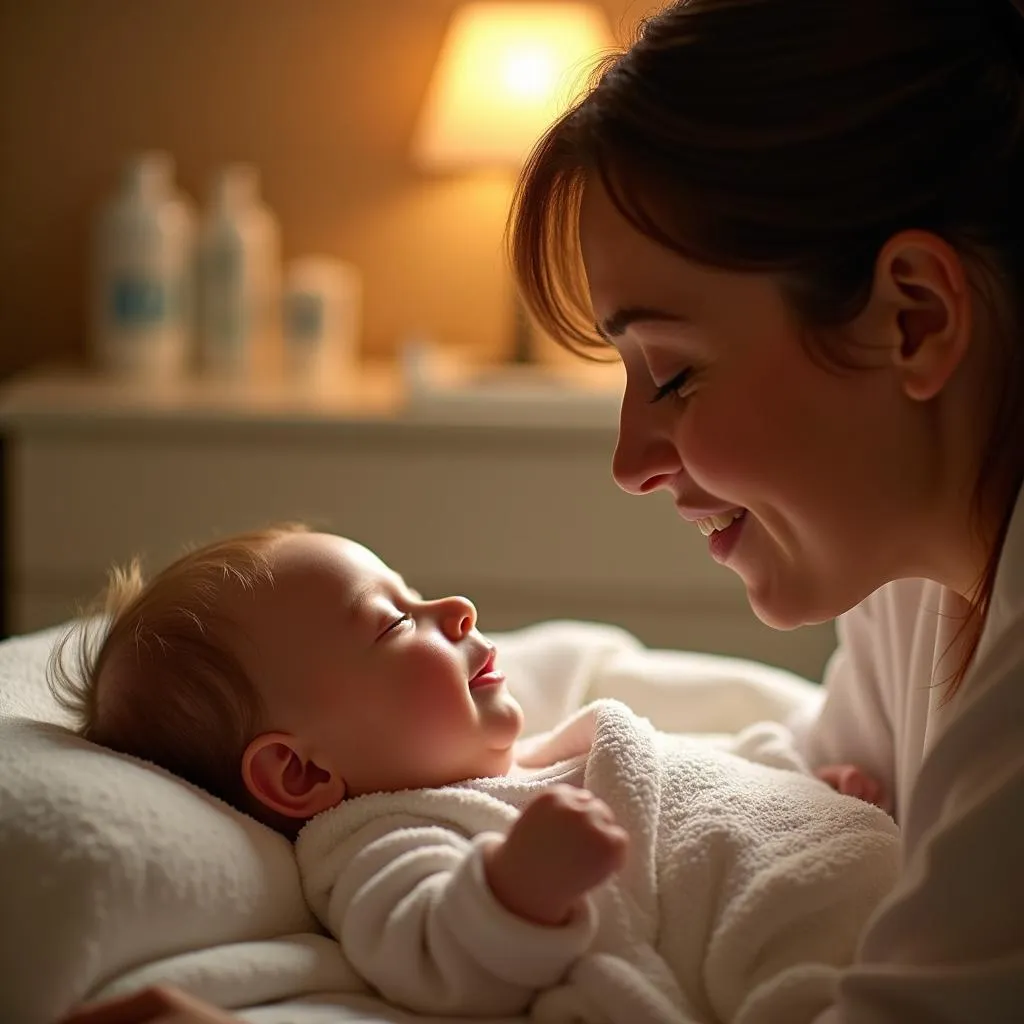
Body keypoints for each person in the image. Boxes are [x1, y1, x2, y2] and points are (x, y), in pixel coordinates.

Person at [61, 0, 1024, 1018]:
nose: (630, 461)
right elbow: (827, 792)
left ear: (911, 318)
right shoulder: (915, 580)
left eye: (675, 374)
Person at [53, 525, 896, 1024]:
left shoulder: (548, 755)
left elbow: (696, 782)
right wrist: (516, 887)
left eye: (413, 591)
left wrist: (801, 779)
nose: (453, 609)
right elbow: (427, 953)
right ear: (301, 771)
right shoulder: (381, 837)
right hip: (770, 954)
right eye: (393, 624)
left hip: (858, 879)